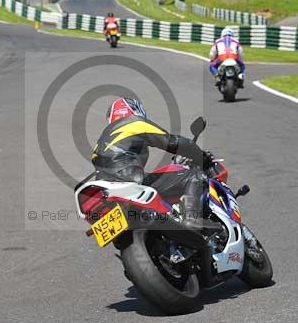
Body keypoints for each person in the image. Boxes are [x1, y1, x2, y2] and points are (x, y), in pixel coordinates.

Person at [90, 97, 212, 228]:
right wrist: (201, 156)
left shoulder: (101, 140)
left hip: (105, 188)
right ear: (136, 110)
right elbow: (173, 142)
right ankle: (191, 218)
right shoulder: (134, 122)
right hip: (129, 179)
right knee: (193, 176)